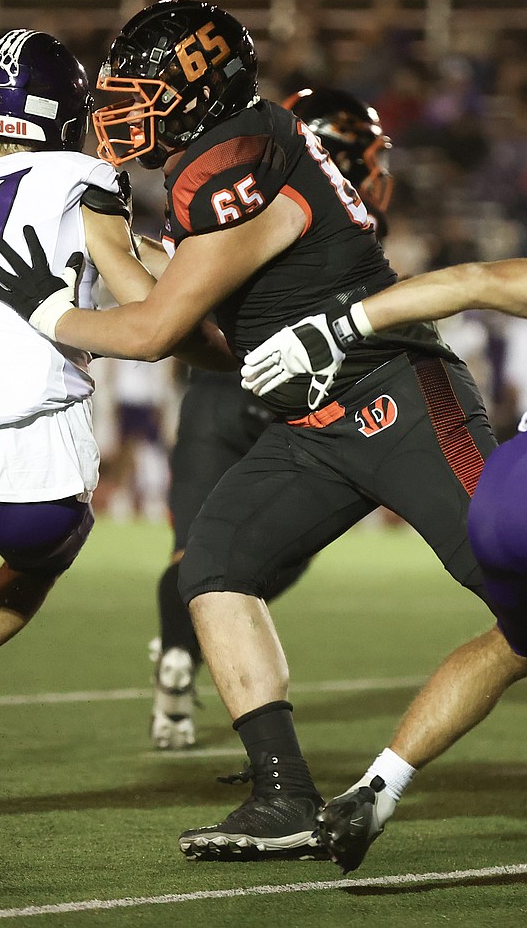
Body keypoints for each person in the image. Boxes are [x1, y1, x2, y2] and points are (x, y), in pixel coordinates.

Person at [0, 0, 527, 868]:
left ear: (195, 89)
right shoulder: (221, 155)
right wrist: (122, 260)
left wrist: (52, 311)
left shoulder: (235, 157)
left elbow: (154, 333)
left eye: (140, 92)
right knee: (215, 565)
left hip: (393, 392)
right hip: (310, 420)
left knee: (524, 582)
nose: (120, 112)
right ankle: (284, 793)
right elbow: (211, 342)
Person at [241, 244, 527, 925]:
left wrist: (339, 325)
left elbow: (477, 278)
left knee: (519, 639)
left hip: (513, 478)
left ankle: (377, 787)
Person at [0, 26, 232, 687]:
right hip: (38, 475)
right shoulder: (85, 179)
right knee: (39, 560)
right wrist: (230, 352)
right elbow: (155, 311)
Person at [149, 85, 393, 750]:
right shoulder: (318, 204)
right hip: (303, 391)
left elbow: (183, 291)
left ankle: (179, 648)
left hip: (220, 385)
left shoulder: (229, 186)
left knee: (200, 549)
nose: (378, 173)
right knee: (262, 544)